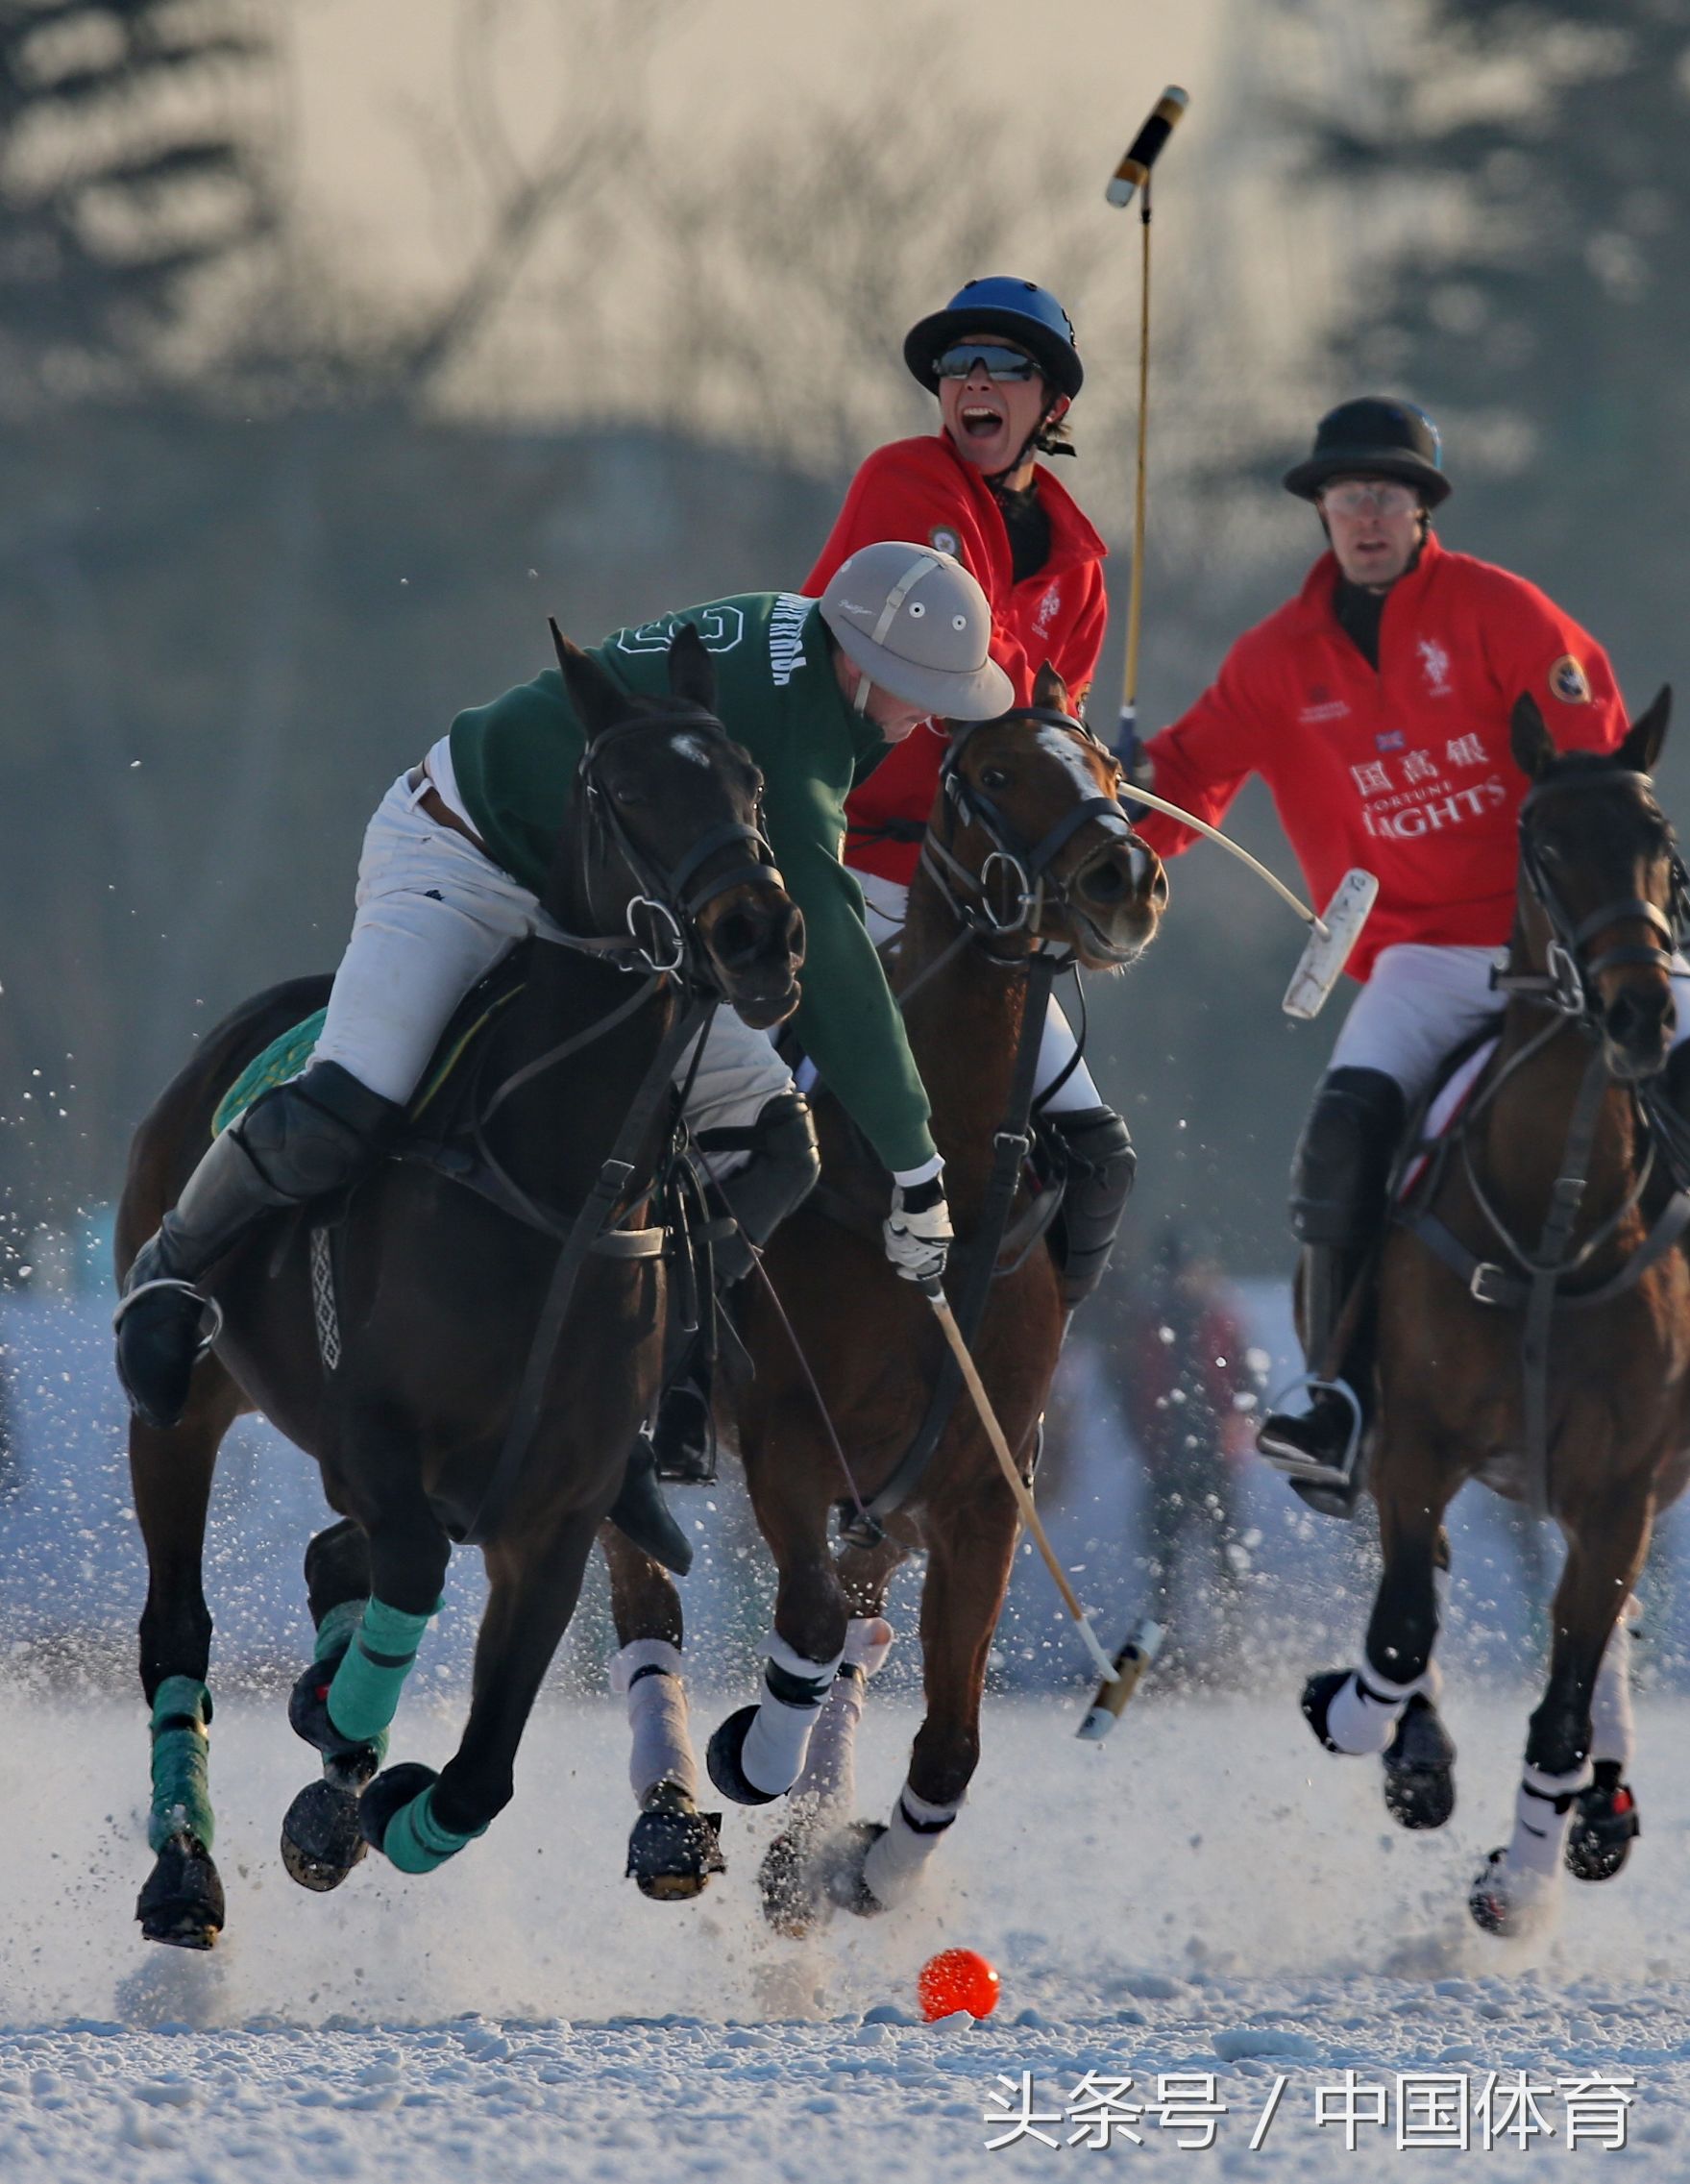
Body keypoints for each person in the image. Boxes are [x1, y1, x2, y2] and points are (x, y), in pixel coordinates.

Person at [114, 544, 1013, 1558]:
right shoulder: (807, 734)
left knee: (775, 1140)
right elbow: (838, 959)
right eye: (924, 694)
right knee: (355, 1096)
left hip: (602, 903)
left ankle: (627, 1404)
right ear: (865, 661)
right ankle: (172, 1268)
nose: (927, 719)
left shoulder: (808, 641)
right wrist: (914, 1165)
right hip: (465, 848)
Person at [1133, 395, 1688, 1507]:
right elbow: (1190, 778)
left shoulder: (1502, 613)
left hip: (1574, 945)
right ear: (1323, 512)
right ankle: (1336, 1393)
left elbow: (1600, 773)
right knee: (1341, 1139)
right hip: (1421, 955)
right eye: (1347, 496)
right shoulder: (1277, 657)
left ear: (1424, 508)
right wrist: (1119, 810)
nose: (1366, 514)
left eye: (1388, 492)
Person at [804, 277, 1135, 1313]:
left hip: (976, 901)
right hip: (844, 860)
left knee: (1098, 1158)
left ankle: (1013, 1390)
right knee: (741, 1124)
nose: (975, 382)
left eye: (1004, 366)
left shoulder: (1081, 568)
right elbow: (963, 661)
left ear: (1053, 406)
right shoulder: (905, 482)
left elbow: (1049, 732)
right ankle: (682, 1375)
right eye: (958, 366)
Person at [1119, 1226, 1263, 1683]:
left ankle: (1228, 1652)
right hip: (1166, 1461)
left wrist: (1237, 1426)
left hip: (1214, 1459)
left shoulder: (1220, 1321)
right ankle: (1172, 1651)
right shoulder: (1154, 1323)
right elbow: (1133, 1391)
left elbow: (1249, 1384)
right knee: (1166, 1568)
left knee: (1225, 1562)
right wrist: (1148, 1440)